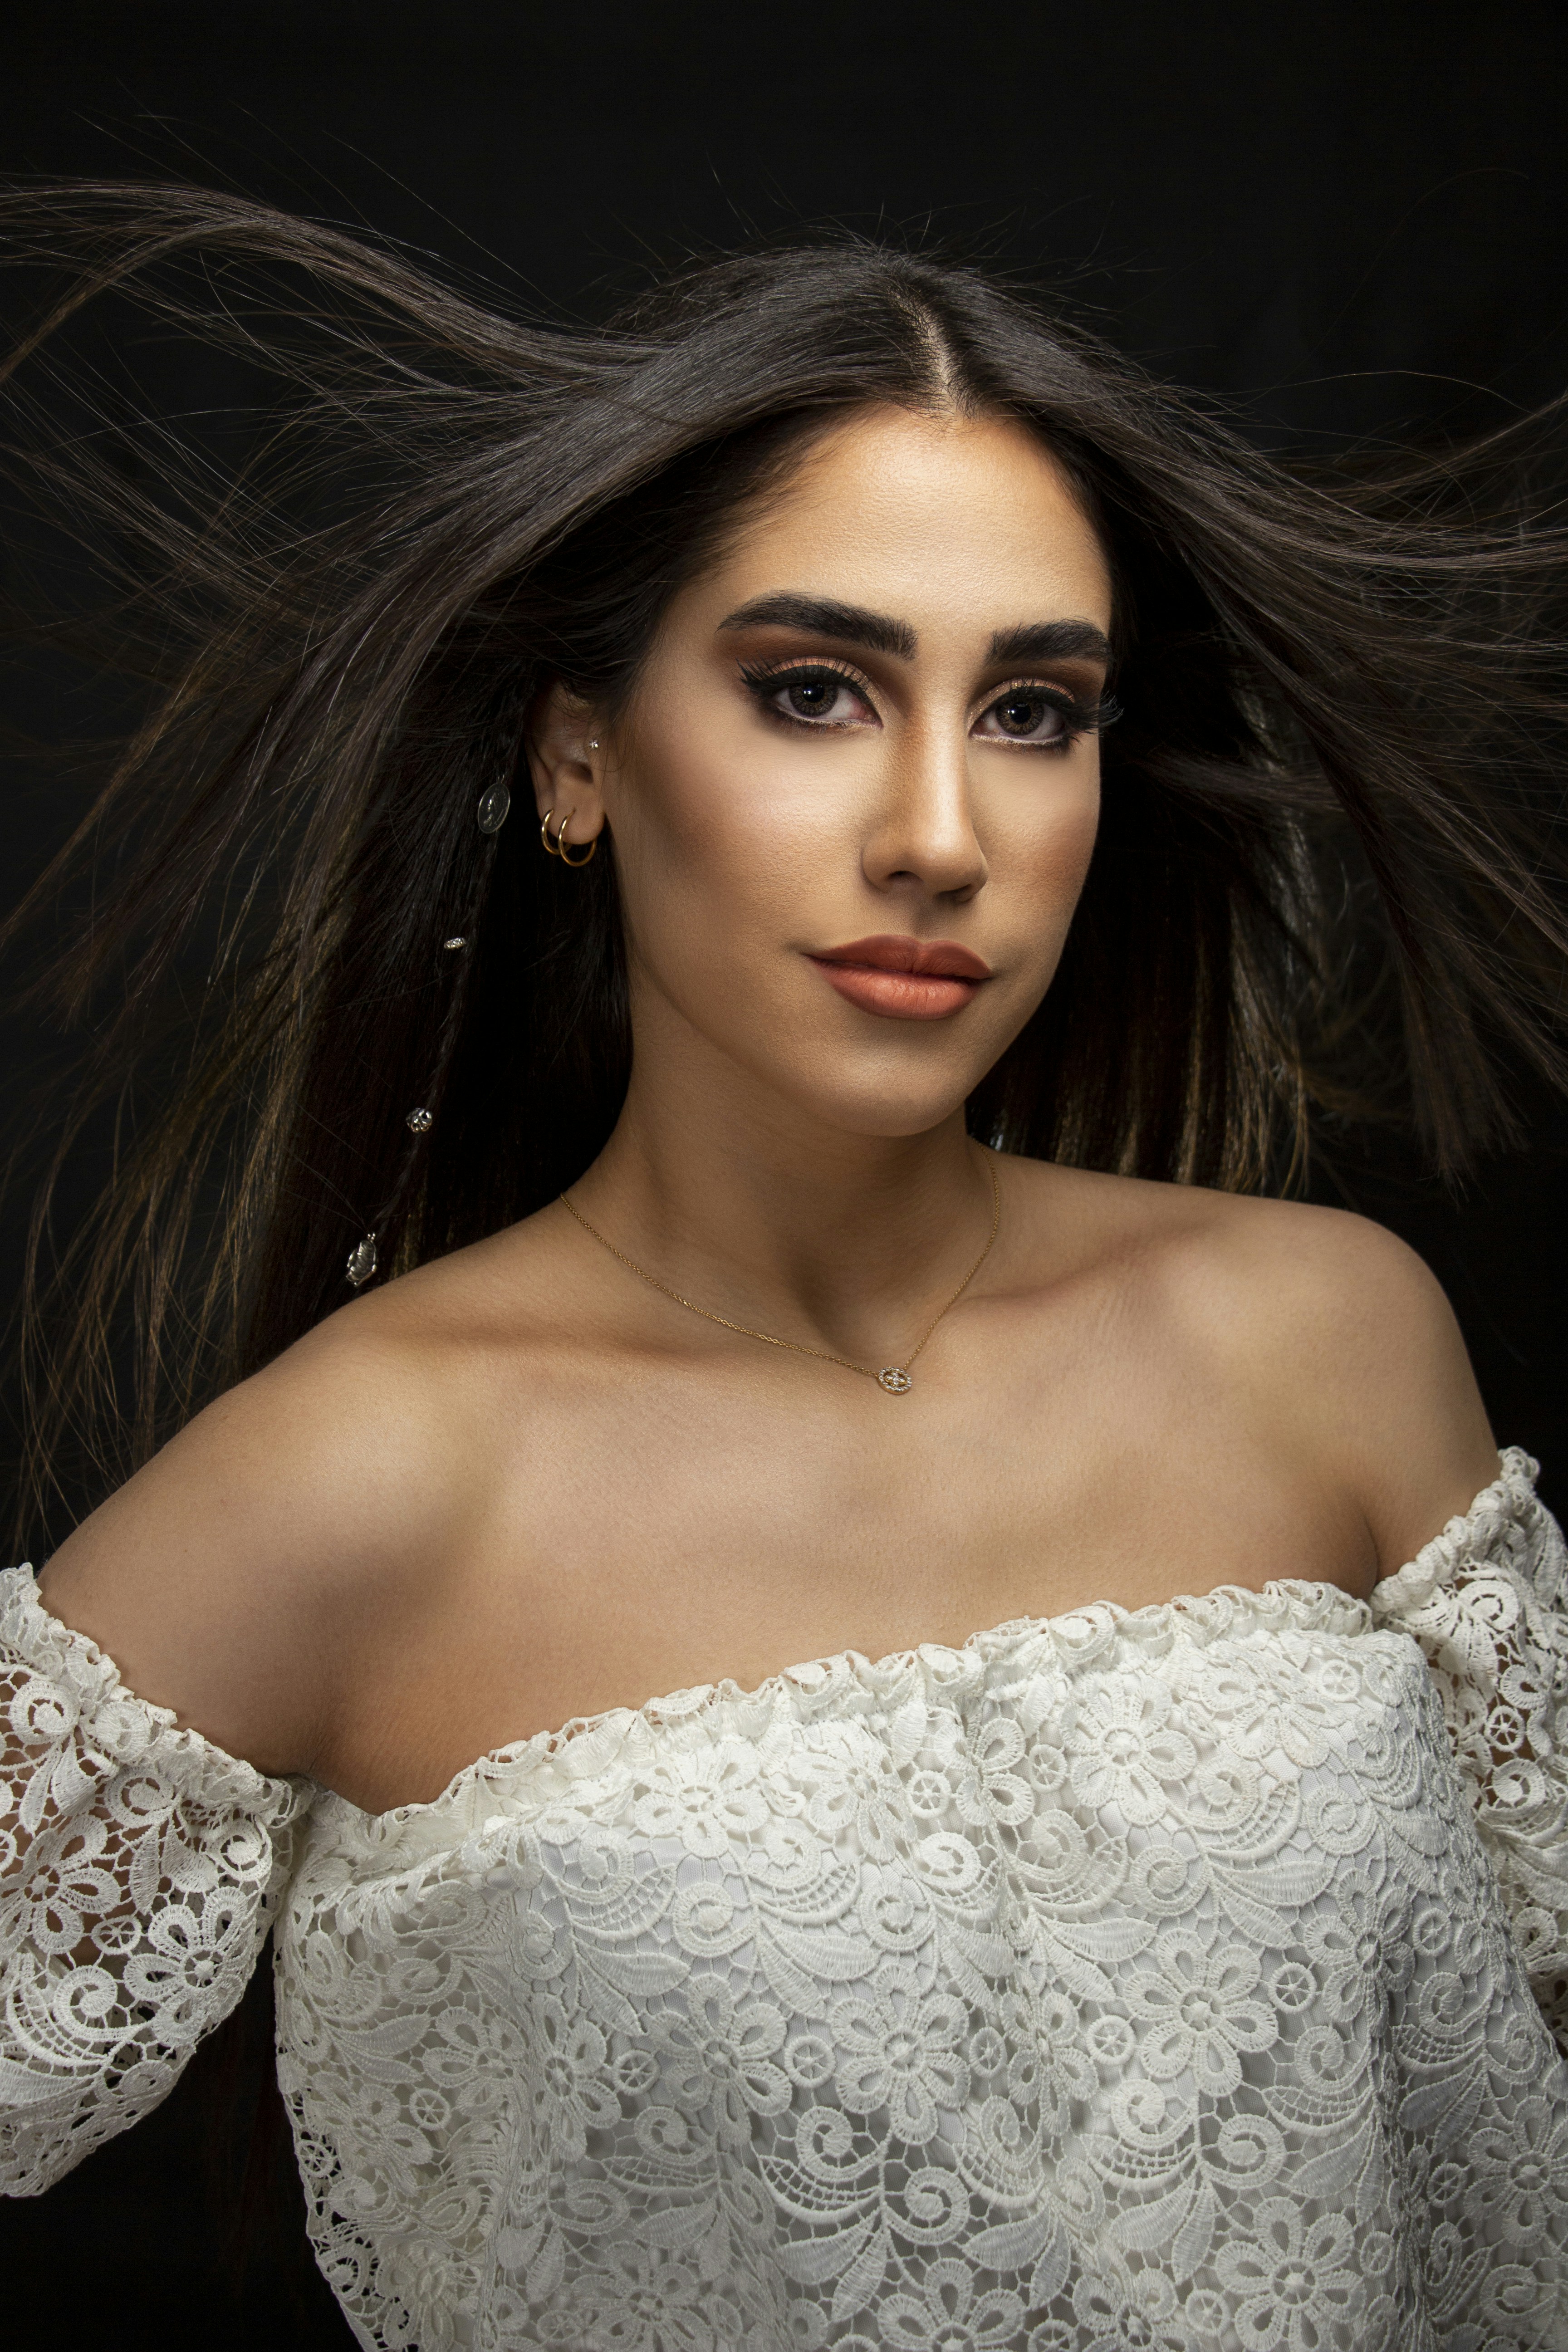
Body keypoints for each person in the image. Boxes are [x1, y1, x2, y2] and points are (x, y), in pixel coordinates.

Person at [2, 185, 1567, 2350]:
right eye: (816, 690)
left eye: (1035, 711)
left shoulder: (1332, 1341)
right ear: (578, 758)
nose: (941, 829)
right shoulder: (361, 1485)